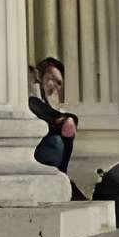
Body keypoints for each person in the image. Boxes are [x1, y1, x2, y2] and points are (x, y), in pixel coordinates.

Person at [29, 56, 79, 186]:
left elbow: (67, 128)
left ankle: (63, 177)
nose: (54, 86)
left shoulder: (55, 106)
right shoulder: (32, 101)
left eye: (59, 83)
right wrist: (67, 119)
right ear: (38, 77)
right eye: (50, 78)